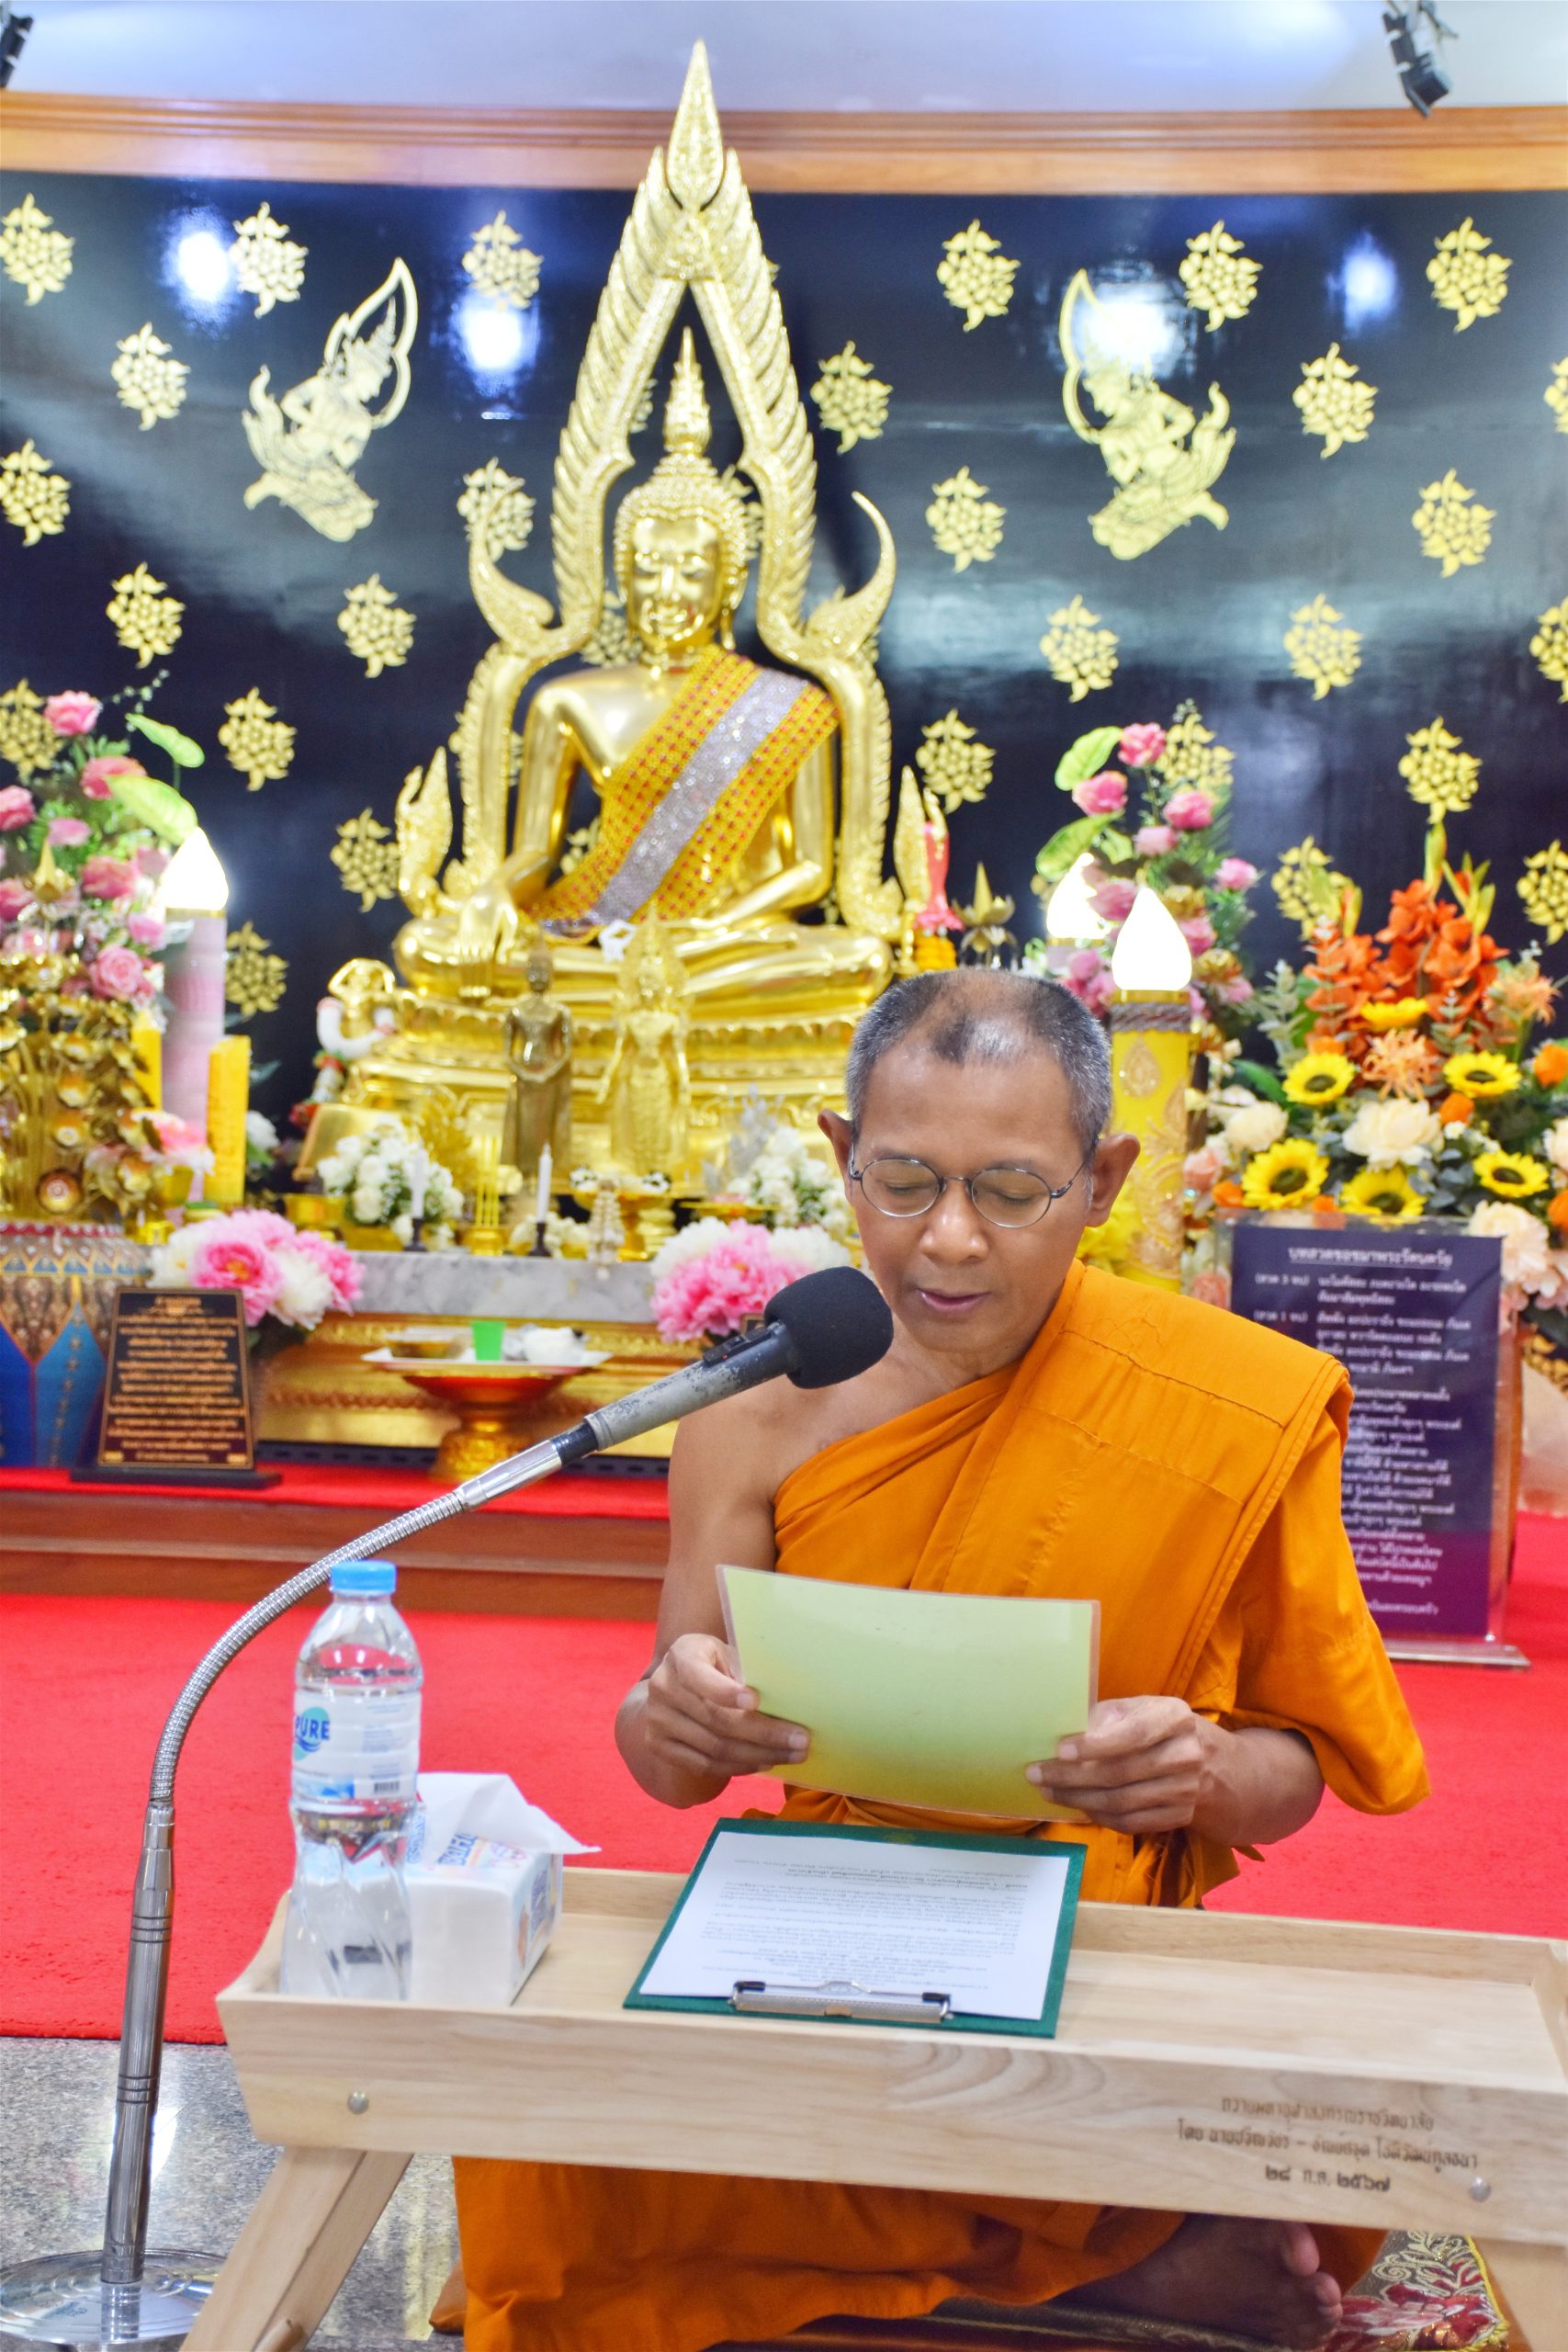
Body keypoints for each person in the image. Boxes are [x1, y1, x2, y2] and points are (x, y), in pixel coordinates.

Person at [444, 969, 1428, 2351]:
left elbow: (1302, 1771)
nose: (950, 1241)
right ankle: (1100, 2264)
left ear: (1102, 1181)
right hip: (822, 1914)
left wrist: (1200, 1770)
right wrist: (675, 1717)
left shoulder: (1221, 1399)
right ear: (844, 1155)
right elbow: (668, 1757)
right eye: (904, 1184)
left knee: (1346, 2126)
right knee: (535, 2144)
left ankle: (995, 2251)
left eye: (1011, 1192)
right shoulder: (755, 1406)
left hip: (1093, 1928)